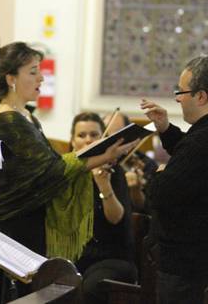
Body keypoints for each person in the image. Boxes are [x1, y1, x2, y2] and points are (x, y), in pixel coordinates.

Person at [0, 42, 137, 304]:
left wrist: (100, 156)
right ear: (11, 79)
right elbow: (50, 170)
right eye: (33, 72)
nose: (41, 77)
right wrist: (101, 156)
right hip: (11, 228)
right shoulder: (6, 120)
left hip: (30, 222)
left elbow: (51, 163)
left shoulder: (25, 115)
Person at [140, 55, 208, 304]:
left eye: (181, 92)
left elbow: (161, 195)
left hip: (191, 270)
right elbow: (192, 162)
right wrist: (165, 128)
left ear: (201, 96)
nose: (178, 98)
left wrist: (157, 174)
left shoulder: (206, 140)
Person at [70, 112, 136, 304]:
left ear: (103, 139)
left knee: (89, 288)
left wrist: (103, 185)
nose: (88, 140)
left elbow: (116, 219)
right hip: (76, 256)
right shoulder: (67, 172)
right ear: (72, 141)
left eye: (94, 135)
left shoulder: (114, 171)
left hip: (111, 257)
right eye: (81, 135)